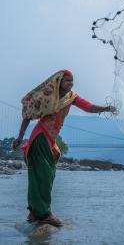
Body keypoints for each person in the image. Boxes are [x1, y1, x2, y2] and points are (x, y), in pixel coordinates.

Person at [12, 69, 116, 227]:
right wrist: (20, 137)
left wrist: (106, 109)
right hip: (40, 137)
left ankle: (34, 211)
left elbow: (89, 107)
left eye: (72, 81)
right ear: (59, 81)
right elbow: (28, 114)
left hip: (51, 140)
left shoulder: (71, 97)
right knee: (43, 176)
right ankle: (44, 214)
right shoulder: (47, 96)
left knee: (47, 175)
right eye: (67, 80)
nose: (71, 83)